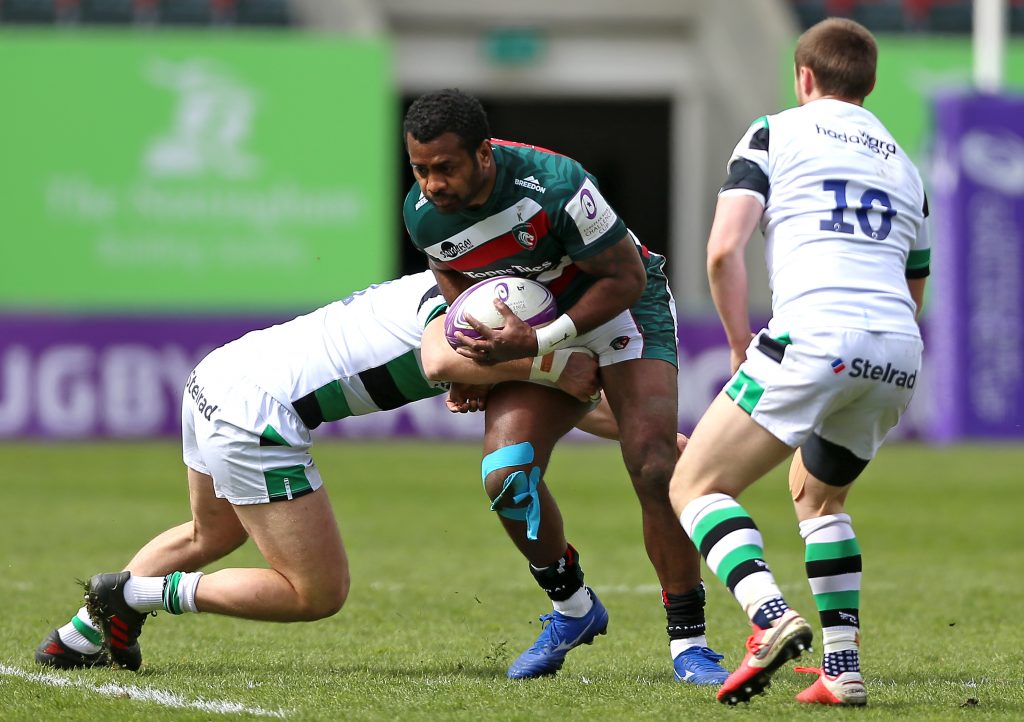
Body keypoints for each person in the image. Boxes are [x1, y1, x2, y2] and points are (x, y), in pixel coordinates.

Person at [34, 270, 606, 671]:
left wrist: (645, 434)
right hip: (255, 413)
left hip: (217, 375)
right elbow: (451, 362)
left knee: (212, 533)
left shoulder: (445, 294)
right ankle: (135, 595)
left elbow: (476, 375)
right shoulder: (464, 322)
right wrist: (551, 366)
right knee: (315, 592)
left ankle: (78, 636)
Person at [402, 89, 728, 684]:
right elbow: (452, 271)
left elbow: (626, 275)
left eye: (444, 168)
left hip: (623, 309)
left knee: (653, 465)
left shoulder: (557, 185)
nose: (432, 185)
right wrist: (475, 341)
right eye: (420, 169)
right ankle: (573, 610)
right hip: (538, 328)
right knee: (506, 476)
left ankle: (690, 644)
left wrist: (542, 340)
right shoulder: (423, 213)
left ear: (482, 154)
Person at [667, 18, 930, 706]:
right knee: (818, 494)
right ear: (868, 86)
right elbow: (915, 281)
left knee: (694, 485)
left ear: (804, 77)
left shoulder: (775, 131)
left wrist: (735, 344)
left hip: (815, 333)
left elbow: (725, 249)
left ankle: (768, 618)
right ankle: (842, 672)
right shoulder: (904, 163)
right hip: (899, 348)